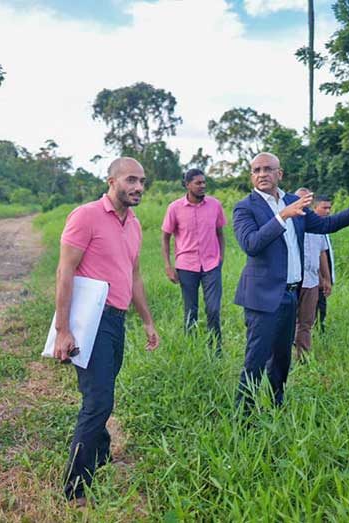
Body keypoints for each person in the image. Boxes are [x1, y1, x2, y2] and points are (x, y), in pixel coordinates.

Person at [232, 153, 349, 410]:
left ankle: (276, 407)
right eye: (256, 170)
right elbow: (251, 244)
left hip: (290, 294)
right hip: (261, 297)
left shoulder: (295, 202)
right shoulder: (245, 207)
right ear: (251, 175)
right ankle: (244, 415)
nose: (262, 174)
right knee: (256, 360)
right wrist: (282, 216)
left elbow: (325, 224)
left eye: (268, 169)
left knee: (282, 360)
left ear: (279, 174)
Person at [55, 157, 160, 508]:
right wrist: (63, 329)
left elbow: (134, 276)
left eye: (142, 181)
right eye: (131, 180)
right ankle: (75, 488)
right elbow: (65, 271)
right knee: (98, 401)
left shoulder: (134, 223)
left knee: (101, 393)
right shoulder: (85, 216)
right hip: (90, 319)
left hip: (116, 320)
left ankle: (100, 457)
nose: (139, 187)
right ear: (111, 180)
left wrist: (146, 320)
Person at [161, 168, 226, 353]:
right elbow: (165, 236)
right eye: (198, 183)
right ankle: (193, 350)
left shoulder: (215, 205)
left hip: (211, 265)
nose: (202, 186)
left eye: (204, 182)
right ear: (187, 185)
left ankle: (216, 349)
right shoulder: (174, 208)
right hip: (186, 266)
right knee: (191, 311)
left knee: (213, 309)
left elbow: (220, 233)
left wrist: (220, 258)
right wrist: (168, 265)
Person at [292, 188, 331, 360]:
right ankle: (287, 356)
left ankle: (304, 357)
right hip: (293, 280)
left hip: (312, 280)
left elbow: (322, 253)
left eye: (307, 200)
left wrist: (326, 278)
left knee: (307, 321)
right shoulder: (288, 221)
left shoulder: (317, 225)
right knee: (289, 321)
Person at [312, 195, 335, 333]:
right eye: (324, 208)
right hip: (314, 280)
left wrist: (328, 278)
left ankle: (320, 333)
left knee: (321, 309)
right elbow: (314, 256)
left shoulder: (324, 227)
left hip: (322, 279)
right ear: (314, 208)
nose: (327, 211)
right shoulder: (311, 228)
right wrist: (322, 279)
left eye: (329, 208)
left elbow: (324, 254)